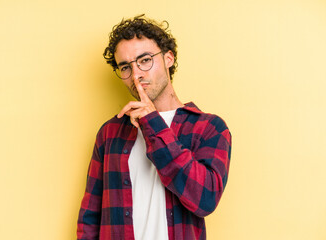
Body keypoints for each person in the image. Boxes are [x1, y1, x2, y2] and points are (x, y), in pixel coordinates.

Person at [77, 14, 232, 240]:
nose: (136, 74)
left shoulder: (209, 127)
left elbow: (205, 199)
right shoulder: (110, 133)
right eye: (125, 67)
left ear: (168, 58)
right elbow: (90, 218)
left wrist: (152, 121)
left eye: (145, 60)